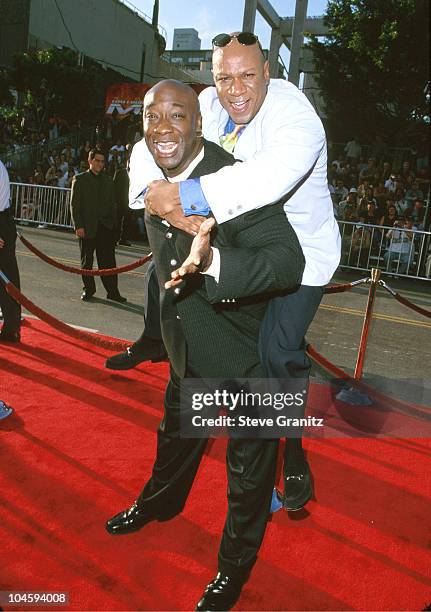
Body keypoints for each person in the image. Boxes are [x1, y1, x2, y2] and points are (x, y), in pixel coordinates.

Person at [106, 80, 305, 611]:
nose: (163, 128)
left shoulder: (233, 182)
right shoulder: (152, 169)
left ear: (199, 123)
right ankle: (158, 505)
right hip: (186, 352)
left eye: (177, 116)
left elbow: (289, 261)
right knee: (172, 441)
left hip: (246, 364)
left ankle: (232, 572)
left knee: (246, 481)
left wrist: (213, 262)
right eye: (152, 116)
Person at [127, 32, 340, 512]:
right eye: (224, 77)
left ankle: (291, 453)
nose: (235, 90)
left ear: (269, 72)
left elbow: (263, 180)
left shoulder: (297, 117)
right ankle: (180, 468)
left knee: (274, 356)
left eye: (248, 76)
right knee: (202, 349)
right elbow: (152, 136)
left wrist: (180, 198)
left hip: (297, 259)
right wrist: (151, 187)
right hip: (233, 247)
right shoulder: (211, 101)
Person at [70, 150, 126, 303]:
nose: (100, 164)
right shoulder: (80, 179)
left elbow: (112, 204)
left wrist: (113, 225)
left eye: (102, 161)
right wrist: (78, 226)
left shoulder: (108, 181)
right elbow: (75, 205)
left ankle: (112, 292)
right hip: (87, 227)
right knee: (86, 262)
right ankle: (88, 289)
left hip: (105, 227)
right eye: (97, 161)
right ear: (90, 161)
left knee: (108, 262)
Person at [0, 160, 21, 343]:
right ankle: (11, 327)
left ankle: (11, 327)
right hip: (4, 221)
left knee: (6, 278)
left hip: (1, 223)